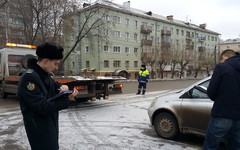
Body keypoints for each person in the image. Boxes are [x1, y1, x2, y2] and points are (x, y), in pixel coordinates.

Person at [18, 42, 78, 150]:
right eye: (55, 63)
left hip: (48, 126)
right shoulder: (29, 78)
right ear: (46, 60)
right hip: (39, 130)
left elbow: (52, 84)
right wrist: (66, 100)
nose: (56, 67)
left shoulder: (42, 74)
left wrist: (62, 86)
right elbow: (42, 107)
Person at [203, 49, 240, 150]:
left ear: (223, 58)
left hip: (222, 114)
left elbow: (211, 92)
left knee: (210, 146)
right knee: (236, 146)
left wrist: (220, 98)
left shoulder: (222, 67)